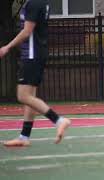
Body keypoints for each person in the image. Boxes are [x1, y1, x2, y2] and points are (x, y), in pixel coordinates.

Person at [0, 0, 71, 146]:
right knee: (30, 97)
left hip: (32, 55)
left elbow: (27, 31)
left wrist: (7, 47)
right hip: (37, 53)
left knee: (23, 95)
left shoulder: (33, 4)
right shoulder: (42, 3)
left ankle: (58, 120)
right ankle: (24, 137)